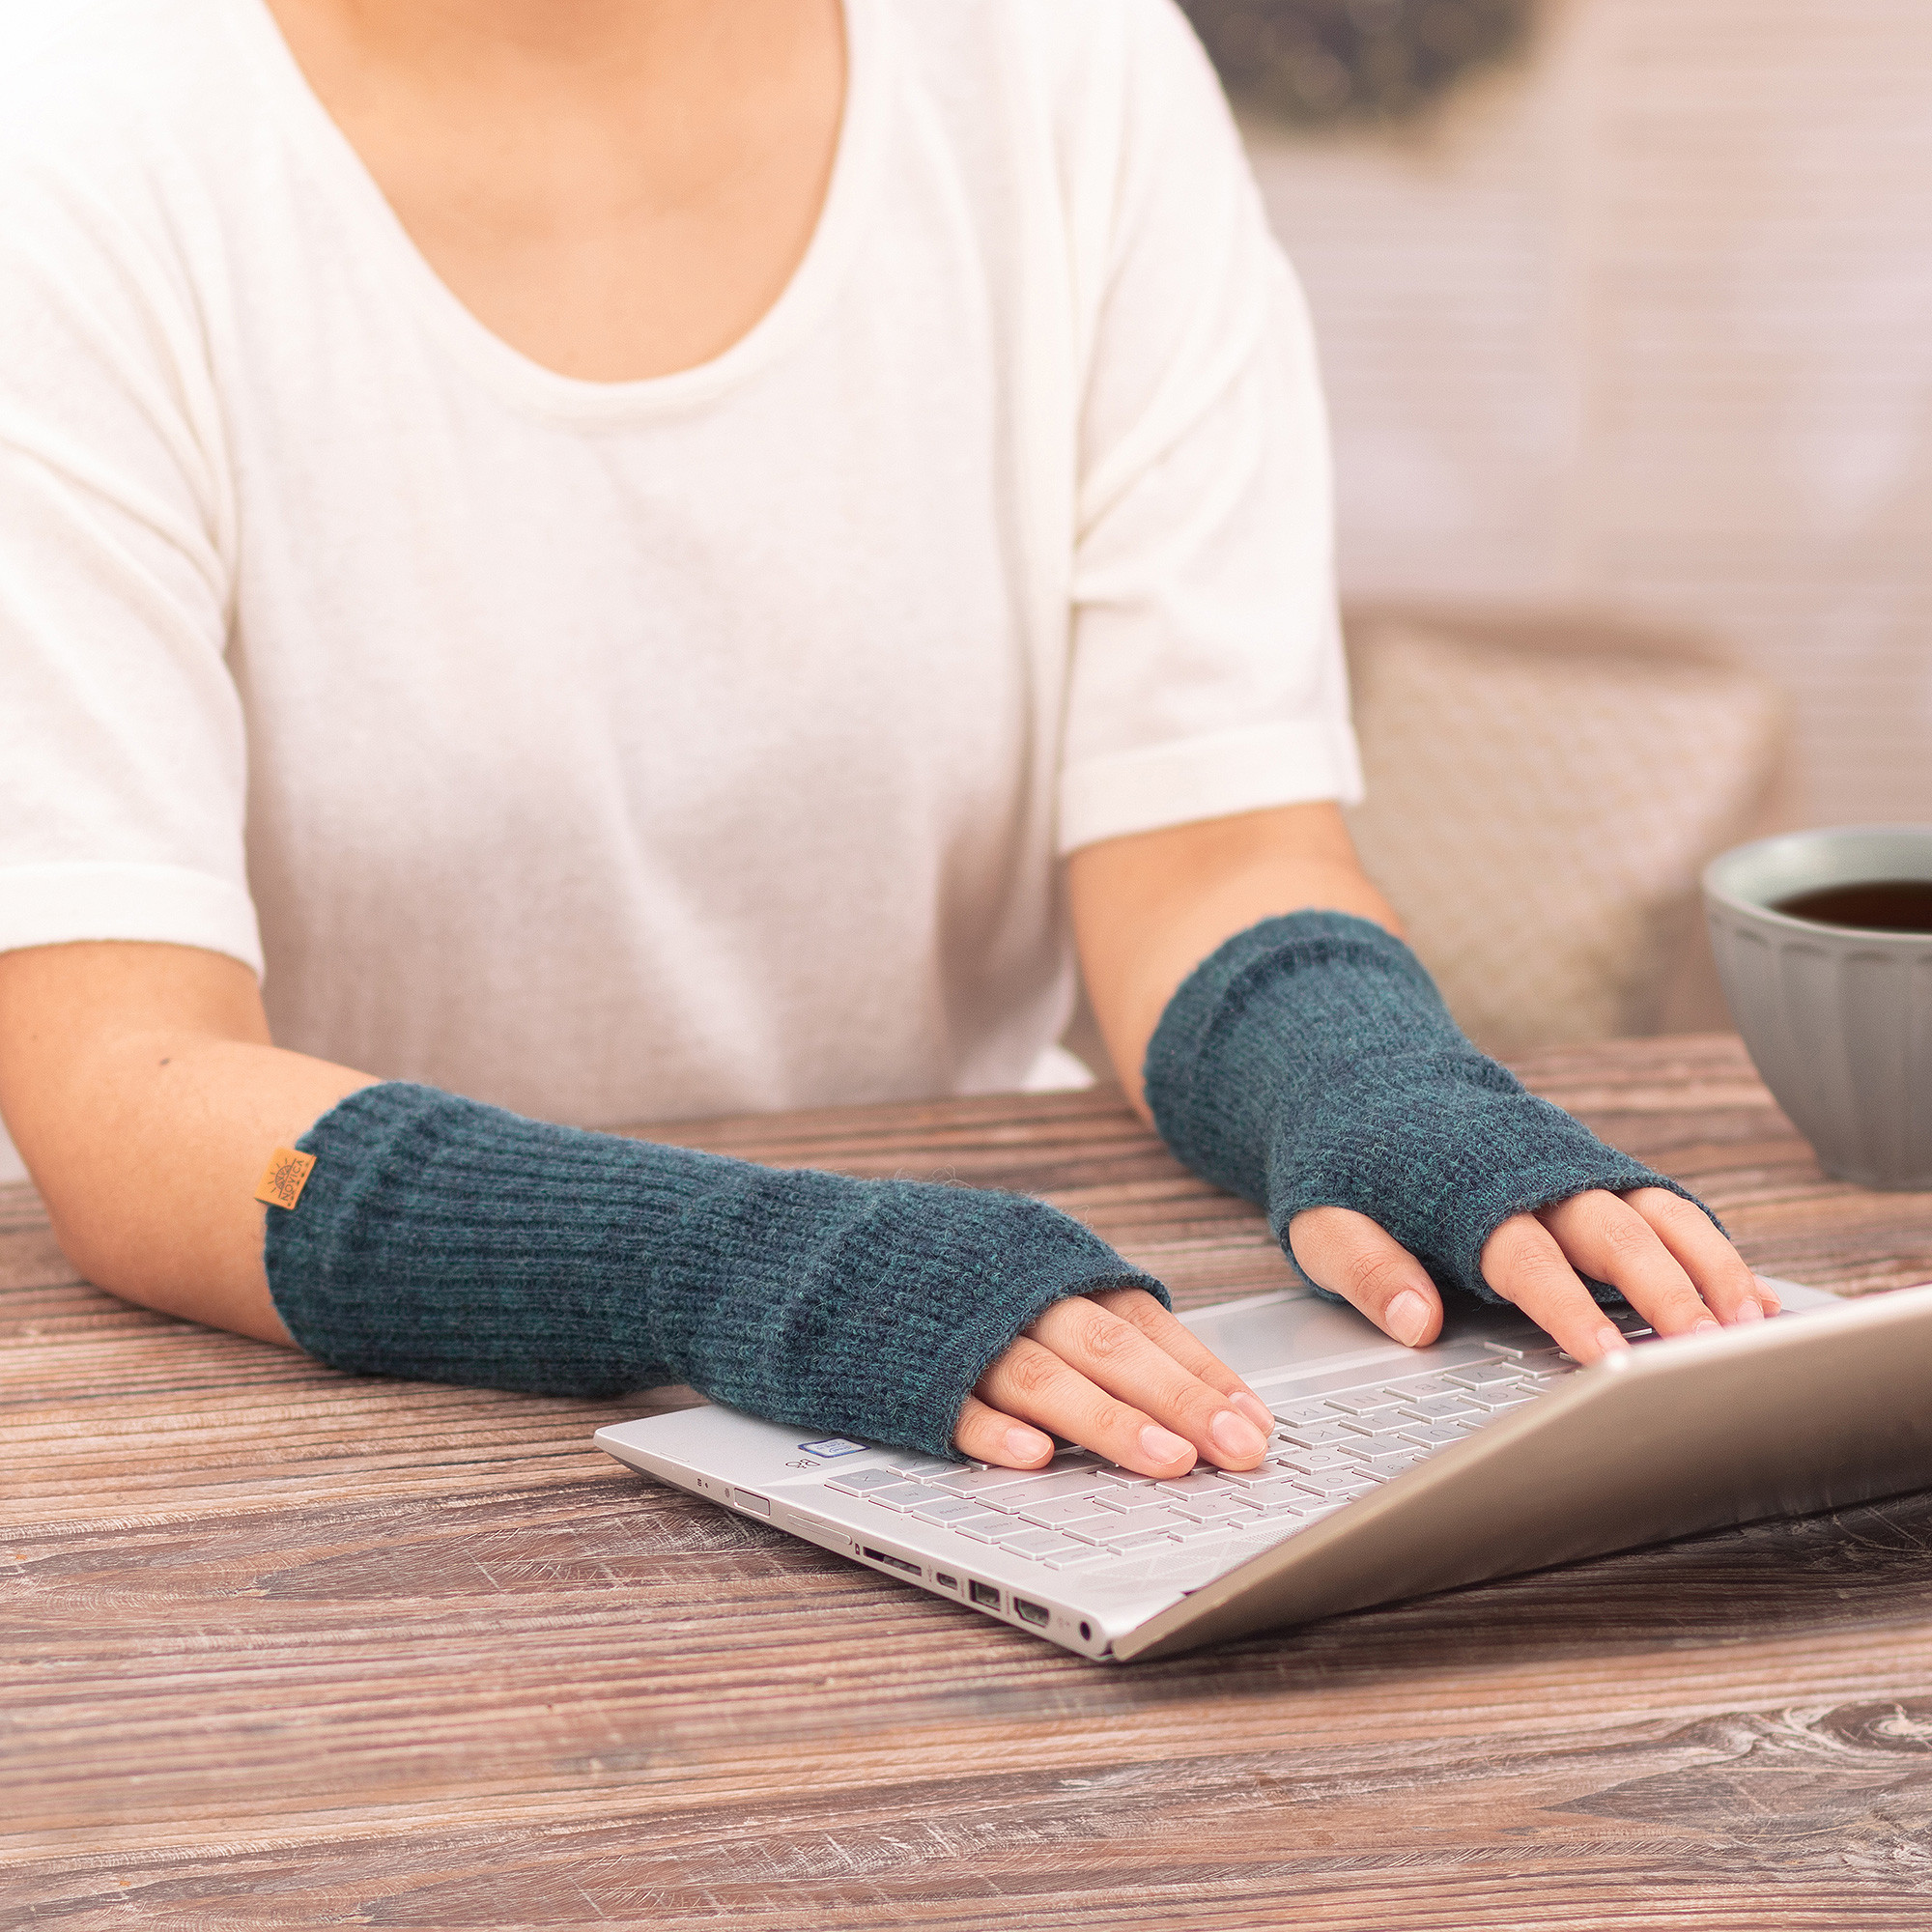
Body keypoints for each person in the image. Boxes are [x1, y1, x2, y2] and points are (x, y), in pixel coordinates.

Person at [0, 0, 1770, 1485]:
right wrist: (755, 1268)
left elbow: (1210, 854)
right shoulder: (74, 142)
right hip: (298, 1425)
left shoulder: (1065, 67)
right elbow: (119, 1084)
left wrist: (1376, 1092)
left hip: (980, 1387)